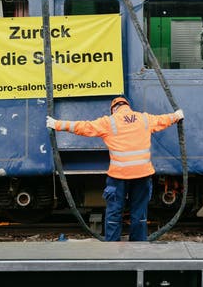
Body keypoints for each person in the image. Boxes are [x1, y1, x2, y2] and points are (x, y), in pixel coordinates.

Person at [46, 97, 184, 241]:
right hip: (142, 175)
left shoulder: (109, 122)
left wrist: (57, 124)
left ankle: (112, 247)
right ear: (127, 106)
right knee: (139, 213)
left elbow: (84, 127)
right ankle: (139, 246)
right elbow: (164, 120)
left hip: (119, 176)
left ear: (113, 109)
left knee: (114, 213)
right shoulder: (144, 119)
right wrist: (177, 116)